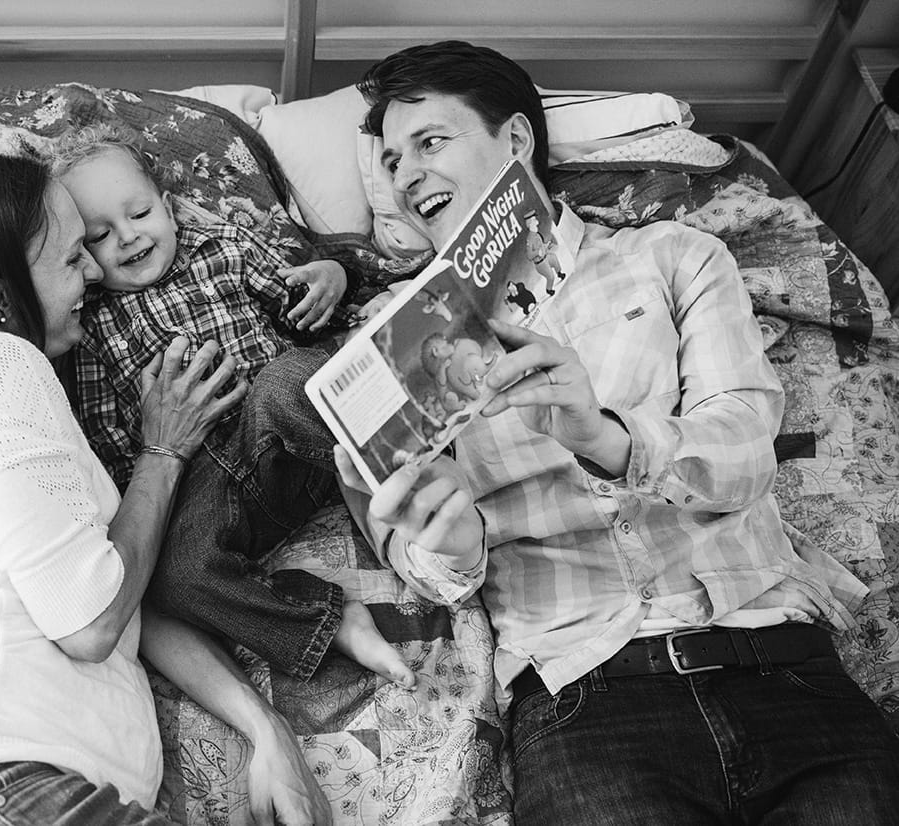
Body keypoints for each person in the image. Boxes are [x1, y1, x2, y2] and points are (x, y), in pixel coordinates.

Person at [336, 40, 899, 825]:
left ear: (516, 141)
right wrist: (450, 544)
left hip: (776, 658)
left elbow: (742, 449)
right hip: (585, 698)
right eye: (392, 161)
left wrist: (603, 436)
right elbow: (423, 567)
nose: (405, 177)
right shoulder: (390, 346)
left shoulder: (671, 256)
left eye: (430, 142)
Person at [0, 150, 331, 826]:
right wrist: (163, 452)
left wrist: (265, 729)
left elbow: (128, 592)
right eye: (74, 257)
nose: (95, 275)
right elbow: (90, 619)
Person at [55, 124, 415, 687]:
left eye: (140, 214)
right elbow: (107, 446)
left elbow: (312, 306)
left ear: (171, 209)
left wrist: (334, 277)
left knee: (293, 376)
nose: (127, 238)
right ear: (82, 254)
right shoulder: (92, 325)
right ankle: (325, 618)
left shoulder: (223, 248)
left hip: (295, 438)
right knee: (172, 580)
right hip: (213, 491)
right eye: (100, 234)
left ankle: (411, 455)